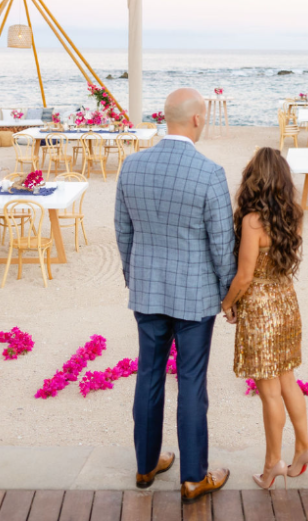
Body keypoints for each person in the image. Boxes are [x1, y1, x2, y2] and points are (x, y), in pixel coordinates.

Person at [115, 87, 236, 498]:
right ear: (197, 118)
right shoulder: (209, 173)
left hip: (148, 289)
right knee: (191, 382)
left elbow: (123, 230)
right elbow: (222, 244)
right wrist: (228, 294)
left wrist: (134, 276)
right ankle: (193, 476)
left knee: (149, 375)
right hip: (195, 296)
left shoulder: (132, 165)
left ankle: (146, 466)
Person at [221, 147, 308, 490]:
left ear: (254, 179)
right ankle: (304, 449)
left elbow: (245, 276)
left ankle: (272, 463)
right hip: (286, 302)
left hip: (260, 310)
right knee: (288, 380)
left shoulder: (252, 221)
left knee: (270, 392)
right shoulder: (294, 215)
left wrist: (227, 304)